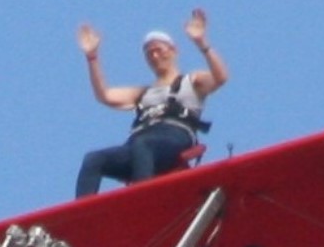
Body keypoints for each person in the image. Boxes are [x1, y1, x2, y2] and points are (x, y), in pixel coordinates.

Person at [73, 10, 228, 196]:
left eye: (159, 50)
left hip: (174, 137)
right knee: (94, 159)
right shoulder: (142, 93)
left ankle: (140, 201)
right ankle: (84, 217)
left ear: (173, 51)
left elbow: (220, 77)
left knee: (143, 145)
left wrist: (201, 42)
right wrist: (92, 57)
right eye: (149, 53)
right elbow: (104, 95)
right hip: (138, 144)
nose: (154, 56)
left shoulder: (191, 81)